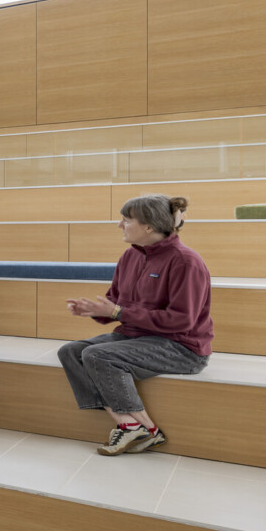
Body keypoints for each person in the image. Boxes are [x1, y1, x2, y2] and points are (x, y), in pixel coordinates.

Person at [57, 194, 211, 456]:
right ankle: (132, 426)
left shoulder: (186, 262)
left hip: (181, 347)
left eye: (126, 220)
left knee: (96, 354)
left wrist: (118, 311)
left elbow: (182, 320)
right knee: (70, 352)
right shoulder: (129, 257)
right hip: (135, 337)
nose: (120, 225)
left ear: (148, 226)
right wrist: (95, 311)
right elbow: (116, 305)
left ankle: (141, 430)